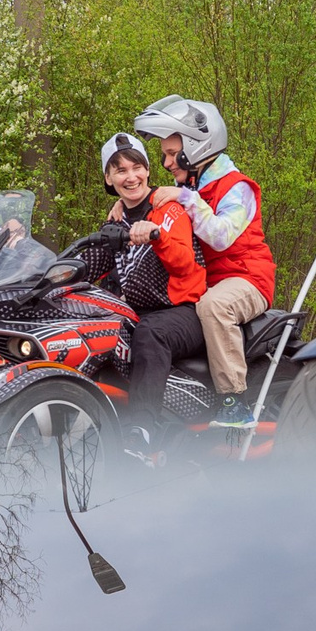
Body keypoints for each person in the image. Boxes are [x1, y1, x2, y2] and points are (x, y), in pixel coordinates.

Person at [132, 95, 276, 422]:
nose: (167, 163)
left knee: (214, 306)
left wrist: (185, 197)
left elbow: (221, 236)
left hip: (247, 280)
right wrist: (124, 210)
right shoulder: (192, 185)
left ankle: (234, 402)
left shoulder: (237, 187)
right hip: (209, 283)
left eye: (171, 154)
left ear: (196, 148)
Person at [97, 132, 209, 434]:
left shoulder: (169, 208)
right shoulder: (114, 223)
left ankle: (142, 432)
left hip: (184, 312)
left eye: (136, 167)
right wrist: (31, 262)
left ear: (147, 170)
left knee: (150, 333)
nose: (130, 177)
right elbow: (88, 265)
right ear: (108, 178)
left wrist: (157, 236)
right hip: (137, 313)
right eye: (120, 170)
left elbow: (185, 262)